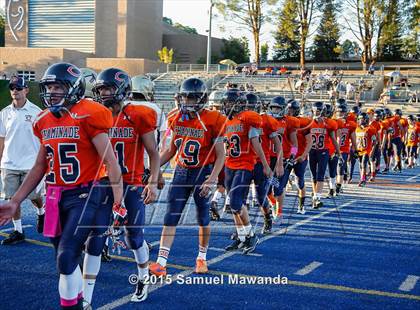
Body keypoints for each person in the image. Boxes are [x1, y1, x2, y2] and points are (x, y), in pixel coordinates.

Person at [0, 62, 123, 310]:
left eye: (58, 86)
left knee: (66, 256)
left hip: (84, 194)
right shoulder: (44, 120)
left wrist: (118, 202)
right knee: (64, 261)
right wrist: (15, 201)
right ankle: (80, 303)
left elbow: (111, 161)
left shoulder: (90, 113)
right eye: (49, 86)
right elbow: (38, 167)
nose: (53, 91)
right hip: (55, 196)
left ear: (74, 88)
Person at [82, 68, 159, 306]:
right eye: (101, 89)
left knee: (133, 237)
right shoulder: (95, 114)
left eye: (108, 88)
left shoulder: (138, 114)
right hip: (104, 183)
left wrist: (153, 182)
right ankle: (85, 298)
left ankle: (143, 277)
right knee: (95, 238)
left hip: (132, 183)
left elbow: (153, 153)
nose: (104, 93)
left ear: (123, 89)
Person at [149, 77, 226, 276]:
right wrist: (153, 168)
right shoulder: (177, 118)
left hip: (203, 172)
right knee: (170, 216)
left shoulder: (214, 119)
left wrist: (212, 179)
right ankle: (161, 262)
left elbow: (221, 155)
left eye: (190, 99)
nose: (186, 102)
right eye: (183, 98)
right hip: (181, 172)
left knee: (202, 218)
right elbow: (171, 149)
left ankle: (202, 257)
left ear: (201, 99)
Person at [222, 89, 271, 253]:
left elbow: (256, 145)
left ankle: (250, 235)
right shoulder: (228, 122)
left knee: (236, 202)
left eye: (229, 102)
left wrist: (265, 165)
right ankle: (241, 237)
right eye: (226, 102)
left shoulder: (248, 119)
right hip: (229, 165)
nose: (226, 105)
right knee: (234, 205)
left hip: (244, 165)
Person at [0, 76, 45, 245]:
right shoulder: (4, 113)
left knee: (34, 197)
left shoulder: (36, 112)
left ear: (26, 90)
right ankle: (18, 230)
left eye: (18, 88)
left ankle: (41, 211)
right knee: (12, 199)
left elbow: (43, 140)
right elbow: (1, 140)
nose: (15, 91)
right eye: (12, 88)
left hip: (30, 164)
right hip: (9, 163)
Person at [308, 101, 340, 208]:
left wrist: (338, 152)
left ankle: (317, 197)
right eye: (314, 110)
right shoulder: (308, 122)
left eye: (317, 110)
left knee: (320, 174)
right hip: (311, 151)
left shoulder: (329, 123)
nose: (315, 112)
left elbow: (334, 139)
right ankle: (314, 196)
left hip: (323, 151)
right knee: (313, 175)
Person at [286, 99, 312, 214]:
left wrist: (304, 155)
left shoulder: (304, 122)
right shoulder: (283, 121)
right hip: (286, 156)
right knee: (277, 181)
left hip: (299, 156)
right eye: (289, 109)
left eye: (292, 109)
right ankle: (276, 208)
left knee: (300, 181)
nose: (290, 111)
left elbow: (310, 141)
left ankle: (301, 206)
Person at [334, 104, 356, 194]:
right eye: (339, 112)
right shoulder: (333, 122)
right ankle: (335, 185)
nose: (341, 114)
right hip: (332, 149)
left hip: (343, 150)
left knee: (340, 168)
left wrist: (355, 149)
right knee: (333, 169)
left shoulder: (350, 124)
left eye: (342, 112)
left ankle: (338, 187)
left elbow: (353, 138)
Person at [355, 112, 377, 187]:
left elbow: (374, 141)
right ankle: (362, 177)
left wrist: (372, 151)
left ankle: (363, 179)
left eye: (361, 119)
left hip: (366, 150)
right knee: (360, 165)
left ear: (365, 120)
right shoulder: (357, 129)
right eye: (359, 119)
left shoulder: (370, 129)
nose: (360, 120)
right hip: (359, 150)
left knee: (363, 164)